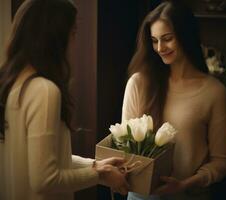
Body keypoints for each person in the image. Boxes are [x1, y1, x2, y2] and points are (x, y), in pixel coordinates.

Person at [0, 0, 129, 200]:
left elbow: (46, 160)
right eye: (73, 33)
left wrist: (96, 166)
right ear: (55, 37)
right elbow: (44, 179)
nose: (73, 42)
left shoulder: (10, 84)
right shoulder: (44, 90)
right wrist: (98, 175)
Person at [122, 0, 226, 199]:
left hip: (189, 195)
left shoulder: (214, 91)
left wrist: (184, 185)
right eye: (154, 41)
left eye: (167, 38)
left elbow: (221, 161)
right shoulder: (138, 83)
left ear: (186, 36)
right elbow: (126, 147)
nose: (160, 47)